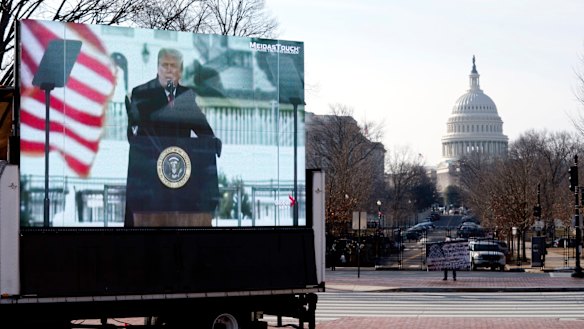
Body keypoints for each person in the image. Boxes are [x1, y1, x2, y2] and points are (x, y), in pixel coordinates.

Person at [125, 48, 221, 227]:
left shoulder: (186, 96)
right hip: (150, 179)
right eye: (165, 65)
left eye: (173, 66)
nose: (169, 70)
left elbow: (202, 129)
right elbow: (134, 134)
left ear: (180, 71)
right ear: (158, 68)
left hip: (179, 182)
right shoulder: (142, 93)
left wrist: (212, 142)